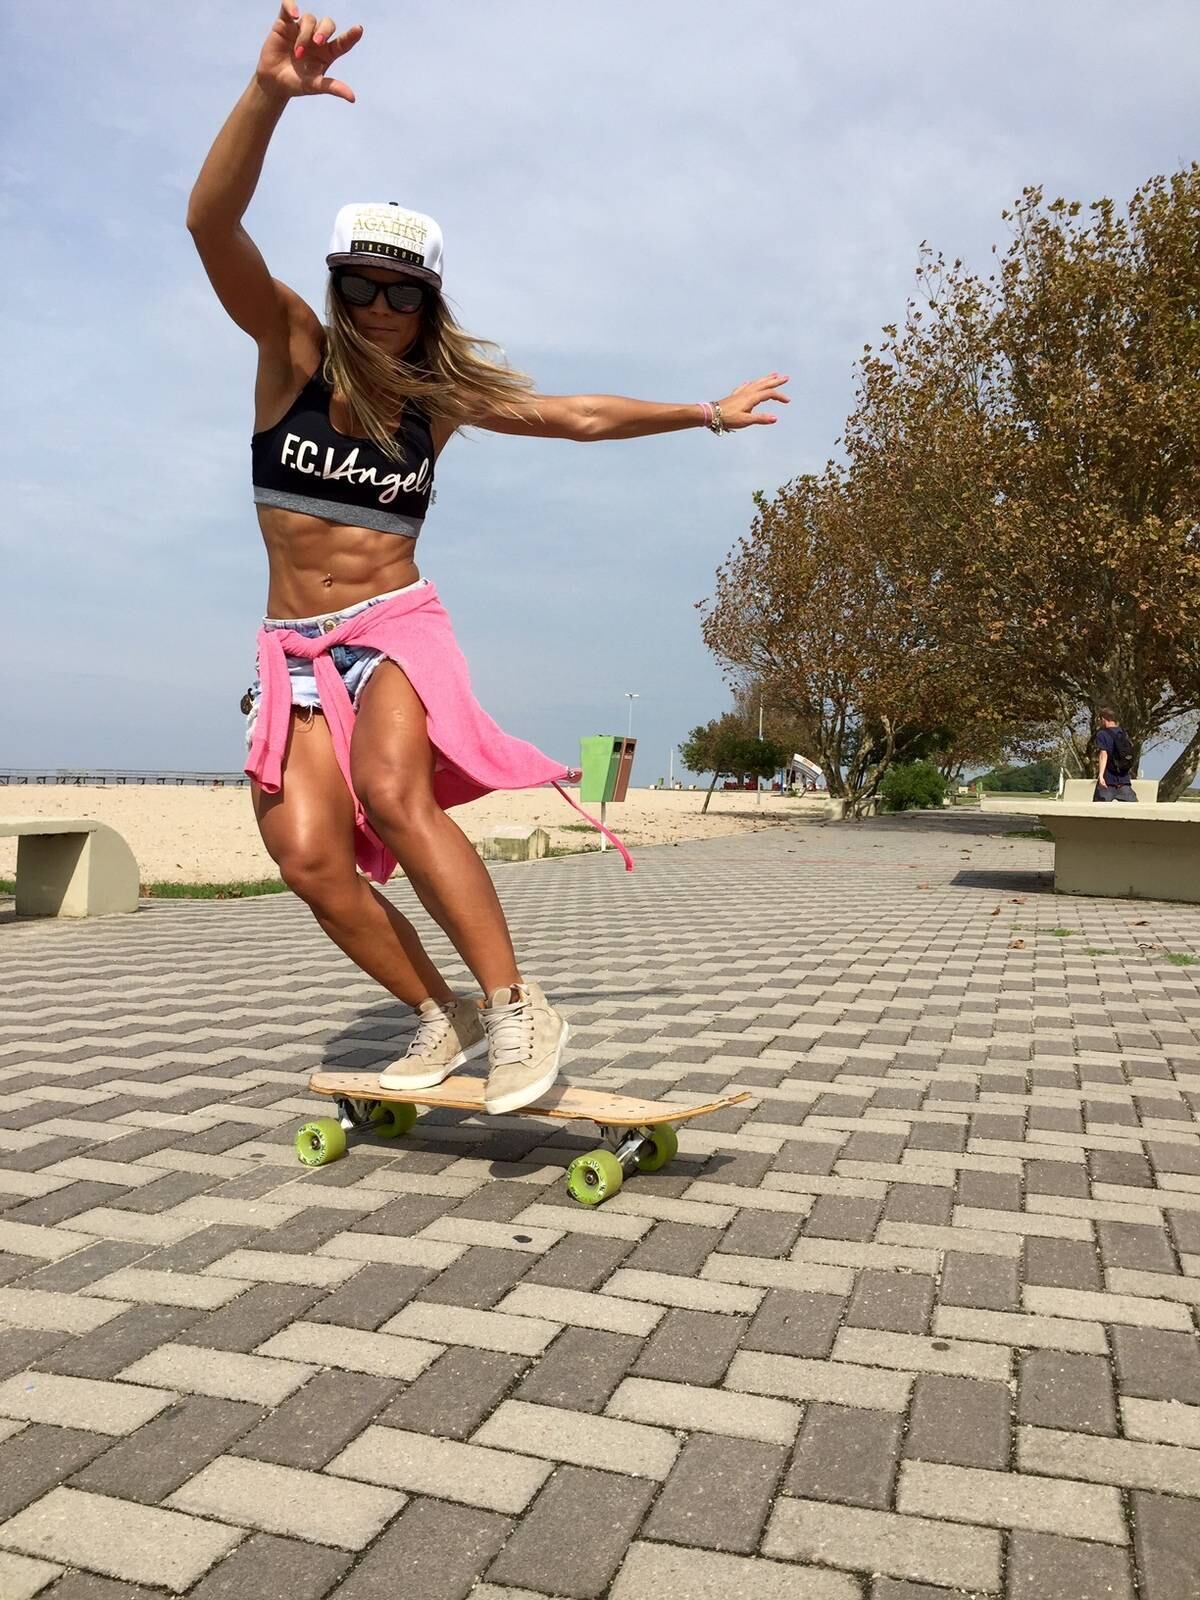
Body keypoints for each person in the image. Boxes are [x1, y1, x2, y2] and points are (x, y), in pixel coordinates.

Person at [187, 6, 789, 1114]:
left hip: (392, 630)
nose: (376, 307)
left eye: (400, 291)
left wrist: (705, 412)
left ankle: (518, 1011)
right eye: (359, 284)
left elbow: (572, 416)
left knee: (393, 791)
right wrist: (269, 93)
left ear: (428, 304)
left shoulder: (437, 401)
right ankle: (441, 1016)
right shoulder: (289, 356)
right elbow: (211, 223)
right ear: (336, 286)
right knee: (310, 858)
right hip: (291, 650)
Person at [1094, 708, 1138, 803]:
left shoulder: (1102, 734)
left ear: (1103, 719)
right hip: (1124, 780)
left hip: (1108, 781)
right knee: (1134, 810)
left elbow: (1103, 755)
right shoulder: (1123, 733)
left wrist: (1101, 776)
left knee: (1097, 811)